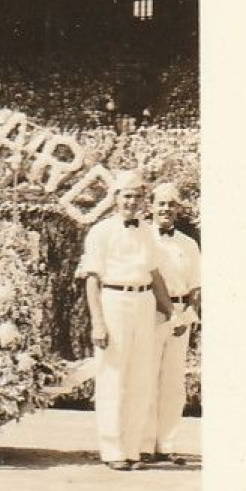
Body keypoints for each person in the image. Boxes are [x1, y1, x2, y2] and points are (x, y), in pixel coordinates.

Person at [76, 171, 174, 470]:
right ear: (115, 199)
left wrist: (171, 310)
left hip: (144, 302)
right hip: (114, 301)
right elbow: (92, 279)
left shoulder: (147, 231)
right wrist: (98, 323)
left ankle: (132, 449)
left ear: (144, 200)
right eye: (126, 196)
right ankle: (112, 449)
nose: (132, 202)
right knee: (113, 376)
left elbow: (155, 274)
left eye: (137, 196)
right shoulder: (101, 232)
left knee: (141, 377)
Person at [143, 182, 201, 466]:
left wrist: (187, 314)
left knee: (173, 381)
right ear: (151, 207)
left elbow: (195, 286)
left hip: (180, 317)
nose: (166, 209)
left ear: (177, 210)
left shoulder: (188, 244)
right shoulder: (143, 238)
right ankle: (143, 445)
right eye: (161, 204)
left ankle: (166, 445)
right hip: (151, 313)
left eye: (171, 205)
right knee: (148, 377)